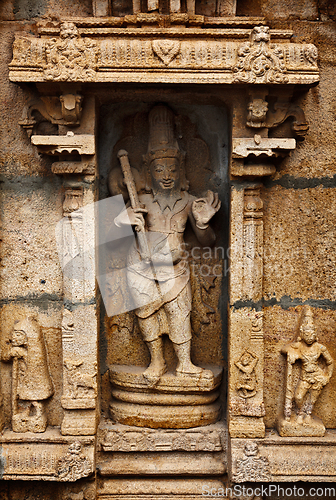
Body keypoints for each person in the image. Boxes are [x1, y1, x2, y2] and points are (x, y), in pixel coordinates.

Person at [114, 104, 220, 384]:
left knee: (178, 311)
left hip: (175, 265)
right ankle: (157, 361)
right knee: (147, 313)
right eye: (159, 169)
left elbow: (208, 242)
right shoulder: (142, 201)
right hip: (142, 265)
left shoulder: (188, 202)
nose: (166, 174)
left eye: (172, 168)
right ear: (149, 171)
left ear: (180, 168)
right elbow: (114, 239)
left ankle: (184, 363)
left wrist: (203, 223)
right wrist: (121, 221)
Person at [282, 306, 333, 423]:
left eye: (311, 335)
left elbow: (329, 362)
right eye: (307, 335)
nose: (309, 338)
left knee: (312, 398)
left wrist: (327, 376)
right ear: (302, 334)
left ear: (315, 335)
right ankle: (300, 412)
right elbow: (284, 349)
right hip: (304, 377)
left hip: (317, 376)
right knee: (298, 397)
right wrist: (293, 353)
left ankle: (308, 414)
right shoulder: (299, 346)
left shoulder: (320, 348)